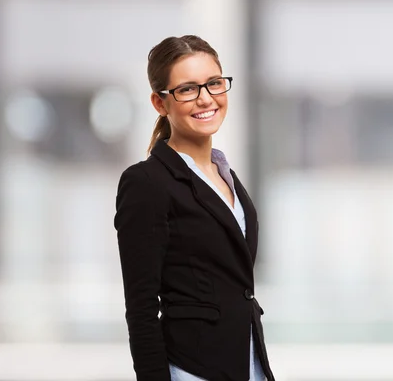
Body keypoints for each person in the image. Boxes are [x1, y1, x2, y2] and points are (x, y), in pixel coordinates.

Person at [114, 35, 274, 381]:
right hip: (194, 369)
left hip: (248, 364)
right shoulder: (147, 183)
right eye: (187, 89)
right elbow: (141, 307)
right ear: (160, 103)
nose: (206, 98)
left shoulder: (223, 173)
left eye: (214, 83)